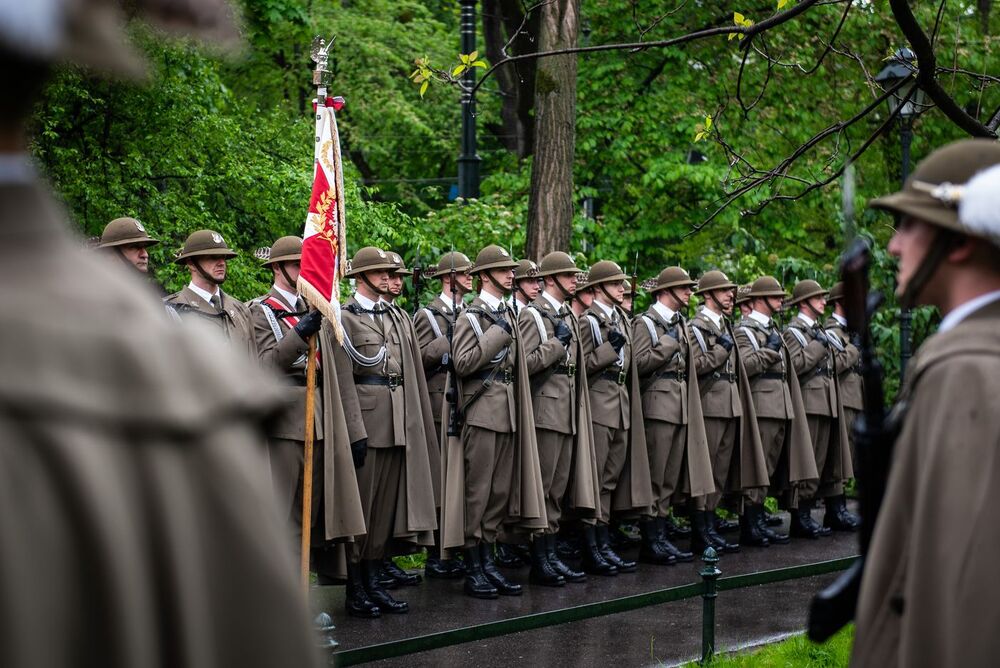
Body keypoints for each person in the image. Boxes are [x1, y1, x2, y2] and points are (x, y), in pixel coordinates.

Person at [0, 1, 319, 665]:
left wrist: (303, 335)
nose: (222, 266)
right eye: (213, 259)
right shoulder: (156, 359)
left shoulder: (161, 359)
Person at [852, 140, 1000, 667]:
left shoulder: (965, 371)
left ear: (958, 242)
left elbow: (965, 587)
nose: (894, 246)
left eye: (910, 225)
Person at [247, 236, 366, 580]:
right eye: (298, 265)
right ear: (278, 267)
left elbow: (338, 372)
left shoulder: (316, 310)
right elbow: (264, 366)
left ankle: (301, 596)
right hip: (283, 423)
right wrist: (298, 332)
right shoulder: (261, 311)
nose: (305, 272)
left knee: (307, 516)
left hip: (319, 419)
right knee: (278, 515)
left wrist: (354, 430)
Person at [337, 247, 437, 616]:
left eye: (387, 271)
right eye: (377, 271)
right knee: (361, 510)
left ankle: (374, 580)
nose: (386, 276)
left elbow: (410, 372)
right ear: (360, 277)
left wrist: (414, 422)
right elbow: (343, 378)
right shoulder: (344, 318)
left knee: (383, 512)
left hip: (398, 421)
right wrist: (353, 429)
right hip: (368, 421)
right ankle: (355, 587)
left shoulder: (397, 316)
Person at [441, 244, 546, 599]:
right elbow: (464, 363)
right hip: (482, 413)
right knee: (478, 493)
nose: (510, 274)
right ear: (484, 275)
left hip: (508, 412)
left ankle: (488, 563)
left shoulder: (508, 314)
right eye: (503, 269)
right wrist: (498, 331)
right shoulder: (470, 316)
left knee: (499, 494)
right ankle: (473, 567)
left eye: (510, 269)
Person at [518, 251, 598, 585]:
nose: (574, 281)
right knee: (545, 485)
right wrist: (556, 345)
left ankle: (550, 554)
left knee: (558, 488)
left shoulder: (566, 314)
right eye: (568, 276)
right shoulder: (533, 315)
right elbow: (526, 363)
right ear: (549, 279)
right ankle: (540, 558)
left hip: (566, 408)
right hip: (546, 409)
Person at [579, 260, 655, 575]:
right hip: (598, 405)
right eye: (614, 283)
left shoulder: (621, 318)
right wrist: (609, 352)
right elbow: (579, 366)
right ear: (597, 288)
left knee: (608, 480)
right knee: (594, 479)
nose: (622, 287)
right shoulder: (587, 321)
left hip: (620, 403)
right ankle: (591, 547)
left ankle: (603, 540)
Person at [689, 271, 775, 549]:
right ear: (708, 295)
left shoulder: (725, 325)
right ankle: (700, 529)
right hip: (710, 404)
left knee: (720, 471)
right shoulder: (696, 327)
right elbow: (696, 367)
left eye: (730, 290)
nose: (730, 295)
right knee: (706, 469)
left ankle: (710, 524)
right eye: (724, 291)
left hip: (729, 403)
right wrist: (720, 351)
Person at [631, 267, 711, 562]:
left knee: (668, 479)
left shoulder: (680, 323)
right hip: (657, 407)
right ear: (666, 290)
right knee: (654, 475)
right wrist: (667, 344)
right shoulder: (646, 323)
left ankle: (661, 534)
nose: (690, 292)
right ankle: (650, 538)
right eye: (684, 287)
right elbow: (637, 364)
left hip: (679, 406)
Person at [734, 277, 817, 537]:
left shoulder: (773, 329)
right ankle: (750, 524)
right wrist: (770, 351)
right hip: (762, 405)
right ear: (760, 299)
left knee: (768, 467)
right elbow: (745, 367)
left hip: (780, 404)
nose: (782, 299)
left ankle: (757, 521)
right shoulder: (744, 330)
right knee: (757, 467)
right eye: (775, 295)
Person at [413, 251, 474, 580]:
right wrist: (445, 341)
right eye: (465, 274)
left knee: (460, 479)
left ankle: (457, 546)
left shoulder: (469, 312)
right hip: (438, 405)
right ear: (448, 279)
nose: (470, 278)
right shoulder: (428, 315)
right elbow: (419, 359)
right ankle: (436, 553)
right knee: (440, 479)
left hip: (464, 402)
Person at [783, 280, 854, 536]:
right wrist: (818, 345)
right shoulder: (794, 331)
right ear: (804, 302)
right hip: (809, 402)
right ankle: (800, 516)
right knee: (807, 461)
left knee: (821, 461)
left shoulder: (819, 329)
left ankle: (808, 514)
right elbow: (796, 365)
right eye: (817, 298)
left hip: (826, 400)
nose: (823, 301)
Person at [163, 229, 257, 358]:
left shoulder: (241, 310)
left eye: (223, 257)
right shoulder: (169, 310)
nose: (221, 263)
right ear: (191, 263)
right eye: (212, 257)